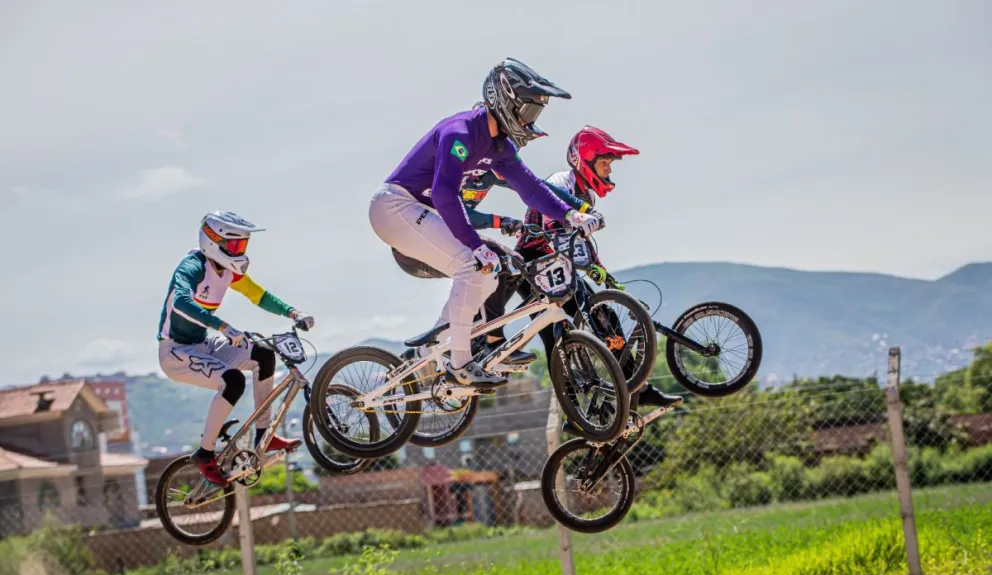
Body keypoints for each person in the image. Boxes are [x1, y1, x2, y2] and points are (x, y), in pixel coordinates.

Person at [369, 58, 603, 388]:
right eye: (528, 111)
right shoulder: (461, 131)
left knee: (490, 275)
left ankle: (432, 345)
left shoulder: (500, 148)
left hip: (414, 211)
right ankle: (460, 362)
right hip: (393, 206)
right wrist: (476, 245)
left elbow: (532, 188)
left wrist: (572, 214)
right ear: (504, 101)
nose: (530, 120)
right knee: (475, 263)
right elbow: (444, 194)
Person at [513, 126, 685, 421]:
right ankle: (574, 416)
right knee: (554, 340)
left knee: (605, 316)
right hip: (533, 263)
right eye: (604, 164)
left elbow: (583, 247)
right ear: (585, 161)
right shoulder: (560, 182)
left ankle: (636, 386)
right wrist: (588, 265)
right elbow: (554, 230)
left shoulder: (586, 197)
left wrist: (609, 281)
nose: (608, 171)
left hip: (559, 264)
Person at [157, 211, 315, 485]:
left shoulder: (228, 271)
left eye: (242, 246)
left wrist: (292, 312)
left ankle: (264, 434)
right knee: (232, 381)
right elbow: (180, 302)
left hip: (202, 344)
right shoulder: (192, 267)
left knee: (263, 356)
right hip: (176, 352)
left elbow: (258, 295)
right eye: (234, 246)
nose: (239, 252)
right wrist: (221, 326)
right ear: (213, 242)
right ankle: (205, 453)